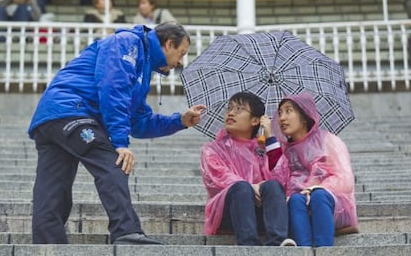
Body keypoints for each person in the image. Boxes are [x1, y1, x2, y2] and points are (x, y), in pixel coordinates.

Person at [28, 22, 206, 245]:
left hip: (52, 118)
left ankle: (47, 246)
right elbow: (113, 89)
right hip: (72, 111)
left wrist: (179, 121)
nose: (180, 62)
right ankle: (126, 230)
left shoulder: (142, 66)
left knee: (53, 188)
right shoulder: (127, 43)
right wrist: (120, 143)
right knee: (114, 162)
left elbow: (139, 121)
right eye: (181, 53)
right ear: (169, 44)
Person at [200, 91, 296, 246]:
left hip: (261, 211)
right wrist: (251, 187)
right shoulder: (213, 149)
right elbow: (218, 178)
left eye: (239, 109)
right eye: (229, 108)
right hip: (229, 213)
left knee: (272, 186)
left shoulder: (263, 147)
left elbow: (281, 179)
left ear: (255, 120)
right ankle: (249, 245)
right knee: (241, 188)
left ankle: (277, 242)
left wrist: (270, 136)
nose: (231, 112)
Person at [270, 93, 359, 247]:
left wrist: (316, 188)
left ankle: (324, 250)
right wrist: (269, 138)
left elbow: (344, 178)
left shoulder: (328, 141)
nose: (282, 118)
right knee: (296, 200)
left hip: (331, 203)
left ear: (304, 115)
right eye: (280, 113)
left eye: (288, 111)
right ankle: (304, 250)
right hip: (298, 204)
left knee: (319, 195)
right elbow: (278, 180)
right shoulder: (284, 149)